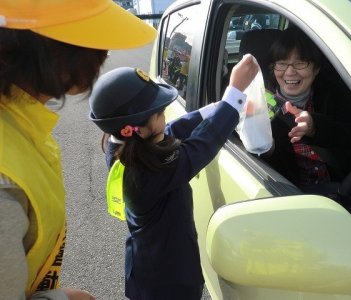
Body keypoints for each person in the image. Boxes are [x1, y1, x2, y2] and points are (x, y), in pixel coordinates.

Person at [0, 0, 157, 299]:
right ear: (55, 53)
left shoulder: (20, 124)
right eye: (95, 41)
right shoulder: (5, 182)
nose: (101, 55)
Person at [89, 55, 259, 300]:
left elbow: (171, 131)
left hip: (148, 268)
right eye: (158, 113)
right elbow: (198, 148)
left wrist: (218, 107)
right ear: (131, 129)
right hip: (167, 283)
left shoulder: (124, 147)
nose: (165, 115)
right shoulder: (144, 173)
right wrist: (234, 94)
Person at [261, 27, 351, 197]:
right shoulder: (260, 105)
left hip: (341, 190)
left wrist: (315, 127)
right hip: (293, 196)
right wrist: (267, 147)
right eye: (281, 63)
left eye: (300, 63)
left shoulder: (335, 95)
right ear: (273, 68)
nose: (290, 71)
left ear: (316, 69)